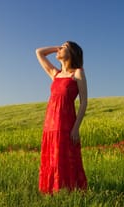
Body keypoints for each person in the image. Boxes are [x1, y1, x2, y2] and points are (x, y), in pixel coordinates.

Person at [36, 41, 88, 194]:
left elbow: (84, 102)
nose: (59, 49)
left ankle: (68, 191)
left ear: (71, 52)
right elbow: (39, 51)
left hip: (66, 124)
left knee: (64, 158)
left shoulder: (77, 73)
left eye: (63, 47)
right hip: (50, 124)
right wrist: (56, 49)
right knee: (51, 158)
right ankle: (51, 191)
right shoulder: (55, 73)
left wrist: (76, 128)